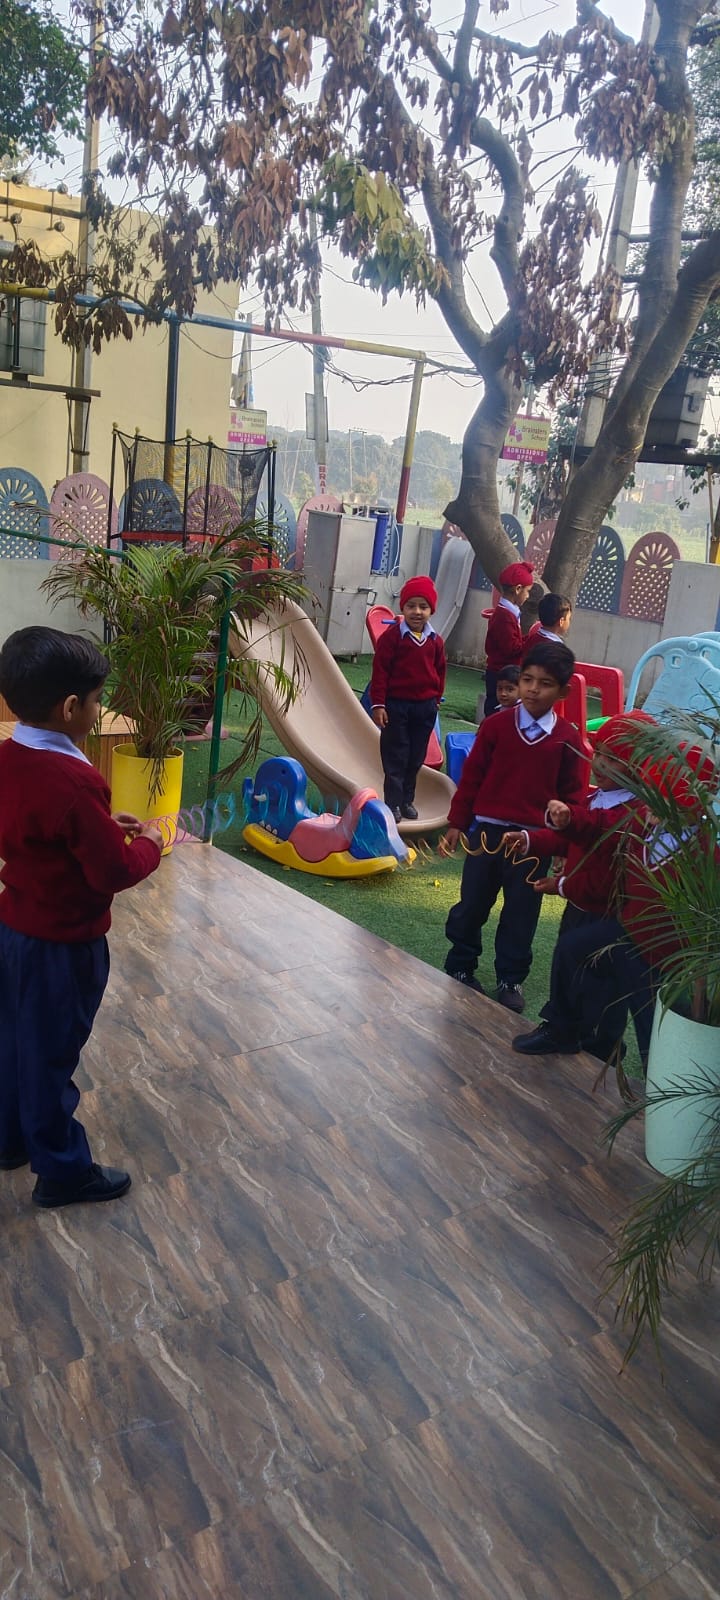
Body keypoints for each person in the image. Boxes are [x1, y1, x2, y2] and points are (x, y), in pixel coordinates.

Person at [0, 626, 163, 1208]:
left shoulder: (9, 755)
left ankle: (9, 1140)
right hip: (62, 947)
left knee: (14, 1041)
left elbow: (34, 825)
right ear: (71, 707)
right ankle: (63, 1171)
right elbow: (111, 872)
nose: (99, 709)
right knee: (51, 1055)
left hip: (13, 931)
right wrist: (152, 843)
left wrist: (95, 825)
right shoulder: (75, 779)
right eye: (97, 701)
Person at [510, 735, 714, 1067]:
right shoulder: (643, 822)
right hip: (627, 930)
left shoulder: (704, 853)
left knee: (651, 1022)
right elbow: (600, 826)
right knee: (572, 949)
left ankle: (653, 1075)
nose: (648, 805)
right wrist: (567, 821)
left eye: (660, 800)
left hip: (661, 953)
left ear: (688, 806)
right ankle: (563, 1030)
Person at [440, 639, 586, 1012]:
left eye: (545, 683)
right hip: (485, 835)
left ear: (563, 691)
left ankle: (510, 978)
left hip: (533, 843)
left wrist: (565, 847)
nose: (533, 689)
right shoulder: (495, 726)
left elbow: (573, 798)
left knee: (522, 913)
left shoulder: (568, 739)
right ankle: (460, 965)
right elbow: (471, 778)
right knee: (472, 904)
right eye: (527, 679)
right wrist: (457, 823)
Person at [503, 711, 655, 1061]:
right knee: (576, 967)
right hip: (580, 904)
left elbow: (595, 831)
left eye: (613, 758)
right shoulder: (597, 799)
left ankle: (591, 1038)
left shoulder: (633, 813)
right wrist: (530, 840)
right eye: (598, 752)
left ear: (639, 767)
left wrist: (562, 884)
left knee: (600, 978)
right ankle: (581, 1034)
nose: (599, 763)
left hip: (605, 912)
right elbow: (570, 835)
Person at [370, 575, 446, 822]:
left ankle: (407, 800)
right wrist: (379, 704)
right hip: (397, 706)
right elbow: (380, 672)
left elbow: (440, 671)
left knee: (415, 757)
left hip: (425, 707)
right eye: (411, 606)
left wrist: (436, 699)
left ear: (431, 611)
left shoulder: (435, 641)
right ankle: (392, 802)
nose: (417, 612)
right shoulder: (392, 638)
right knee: (396, 755)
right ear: (402, 607)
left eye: (423, 607)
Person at [483, 560, 534, 717]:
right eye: (527, 591)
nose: (528, 596)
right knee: (496, 709)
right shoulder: (504, 616)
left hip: (504, 670)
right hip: (500, 672)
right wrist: (532, 639)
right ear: (518, 589)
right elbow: (512, 648)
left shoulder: (508, 613)